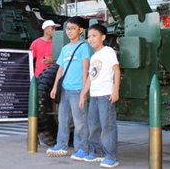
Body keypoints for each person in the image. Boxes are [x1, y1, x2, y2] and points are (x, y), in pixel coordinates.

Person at [47, 16, 90, 159]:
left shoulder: (84, 47)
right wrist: (55, 87)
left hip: (77, 90)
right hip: (65, 89)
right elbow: (60, 69)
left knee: (80, 122)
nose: (69, 31)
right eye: (67, 28)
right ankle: (61, 145)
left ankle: (82, 148)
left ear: (81, 30)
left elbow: (85, 69)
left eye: (73, 28)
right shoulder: (65, 49)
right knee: (63, 119)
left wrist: (84, 91)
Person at [79, 23, 121, 168]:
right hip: (94, 96)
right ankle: (96, 152)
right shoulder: (94, 56)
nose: (90, 39)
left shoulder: (108, 51)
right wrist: (83, 94)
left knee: (107, 126)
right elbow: (91, 77)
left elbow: (117, 71)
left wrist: (115, 91)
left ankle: (111, 156)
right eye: (89, 36)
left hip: (105, 95)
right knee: (94, 125)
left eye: (94, 36)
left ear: (103, 37)